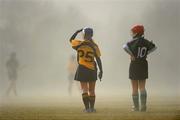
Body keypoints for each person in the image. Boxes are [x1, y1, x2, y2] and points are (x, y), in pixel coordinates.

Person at [123, 25, 157, 112]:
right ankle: (143, 106)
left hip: (134, 64)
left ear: (137, 32)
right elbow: (154, 47)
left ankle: (136, 107)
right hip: (143, 64)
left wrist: (131, 54)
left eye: (133, 32)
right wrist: (146, 53)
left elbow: (124, 47)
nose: (132, 33)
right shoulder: (145, 41)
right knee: (142, 87)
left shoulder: (133, 41)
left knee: (134, 88)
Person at [69, 27, 103, 113]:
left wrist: (76, 31)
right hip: (92, 69)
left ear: (84, 35)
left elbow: (71, 40)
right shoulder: (95, 46)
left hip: (82, 68)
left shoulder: (79, 44)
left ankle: (87, 109)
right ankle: (92, 108)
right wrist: (101, 71)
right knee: (92, 90)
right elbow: (98, 59)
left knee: (84, 90)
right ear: (91, 35)